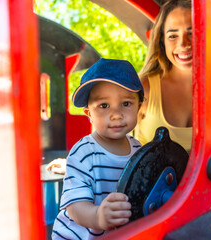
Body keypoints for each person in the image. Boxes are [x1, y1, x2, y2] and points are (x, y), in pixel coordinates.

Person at [52, 58, 144, 240]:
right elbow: (75, 206)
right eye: (104, 106)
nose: (116, 114)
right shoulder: (83, 153)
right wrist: (98, 216)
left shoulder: (138, 150)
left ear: (139, 107)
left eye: (126, 104)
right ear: (89, 114)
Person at [137, 0, 192, 152]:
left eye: (192, 33)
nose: (183, 44)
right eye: (173, 36)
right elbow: (107, 147)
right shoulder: (143, 87)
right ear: (162, 41)